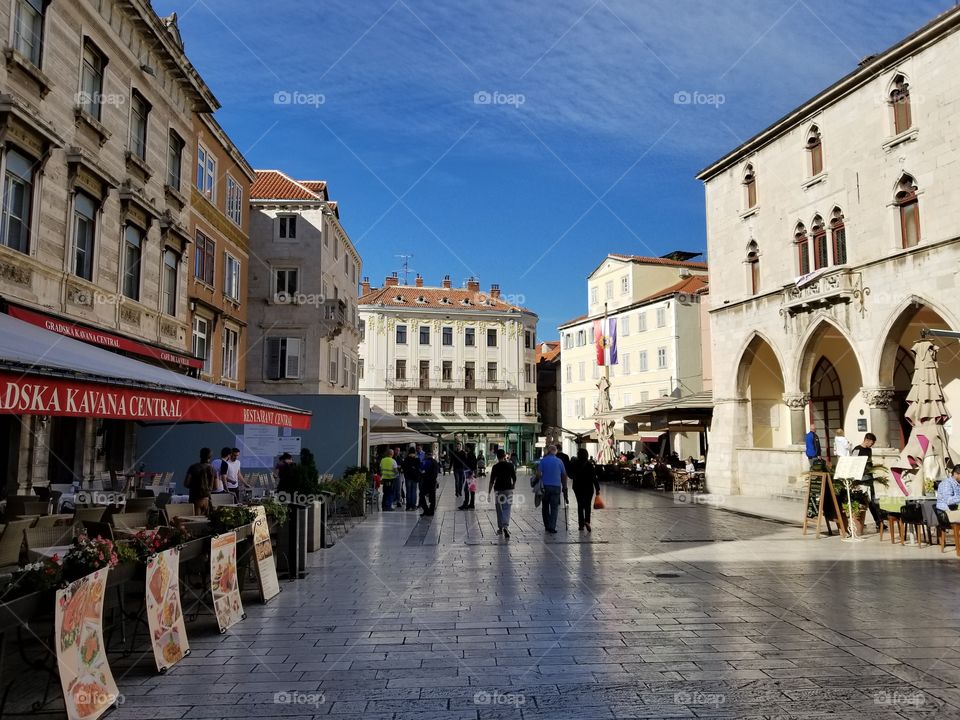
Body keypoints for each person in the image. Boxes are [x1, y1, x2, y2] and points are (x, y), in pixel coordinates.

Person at [536, 445, 568, 534]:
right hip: (556, 487)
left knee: (545, 507)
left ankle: (547, 525)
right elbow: (564, 475)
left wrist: (540, 478)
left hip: (545, 487)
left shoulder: (543, 461)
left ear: (548, 451)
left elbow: (538, 475)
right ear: (555, 451)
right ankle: (552, 527)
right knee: (554, 508)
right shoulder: (559, 461)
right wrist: (564, 487)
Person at [488, 449, 516, 538]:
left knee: (499, 509)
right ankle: (505, 526)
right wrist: (513, 485)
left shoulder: (495, 467)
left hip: (498, 490)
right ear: (504, 456)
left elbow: (492, 481)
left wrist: (488, 492)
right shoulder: (510, 465)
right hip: (508, 489)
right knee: (507, 508)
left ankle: (500, 528)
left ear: (497, 456)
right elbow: (514, 478)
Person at [571, 448, 600, 532]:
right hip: (588, 488)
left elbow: (571, 475)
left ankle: (581, 525)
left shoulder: (575, 464)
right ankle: (587, 521)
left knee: (580, 505)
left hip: (578, 487)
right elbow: (594, 477)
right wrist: (597, 488)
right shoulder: (589, 464)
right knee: (587, 505)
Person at [185, 447, 216, 516]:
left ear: (200, 455)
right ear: (210, 457)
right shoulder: (212, 469)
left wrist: (196, 486)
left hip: (195, 499)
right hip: (207, 499)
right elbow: (216, 486)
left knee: (195, 522)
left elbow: (186, 483)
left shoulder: (193, 467)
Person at [419, 449, 439, 516]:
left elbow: (422, 468)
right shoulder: (435, 462)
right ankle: (431, 511)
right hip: (433, 481)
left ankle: (426, 510)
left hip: (427, 482)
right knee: (432, 497)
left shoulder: (427, 462)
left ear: (427, 455)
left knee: (421, 495)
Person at [402, 446, 421, 511]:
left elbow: (403, 468)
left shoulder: (406, 459)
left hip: (408, 477)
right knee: (414, 491)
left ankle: (408, 506)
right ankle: (413, 506)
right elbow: (419, 468)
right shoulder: (417, 459)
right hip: (415, 477)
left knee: (408, 491)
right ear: (414, 452)